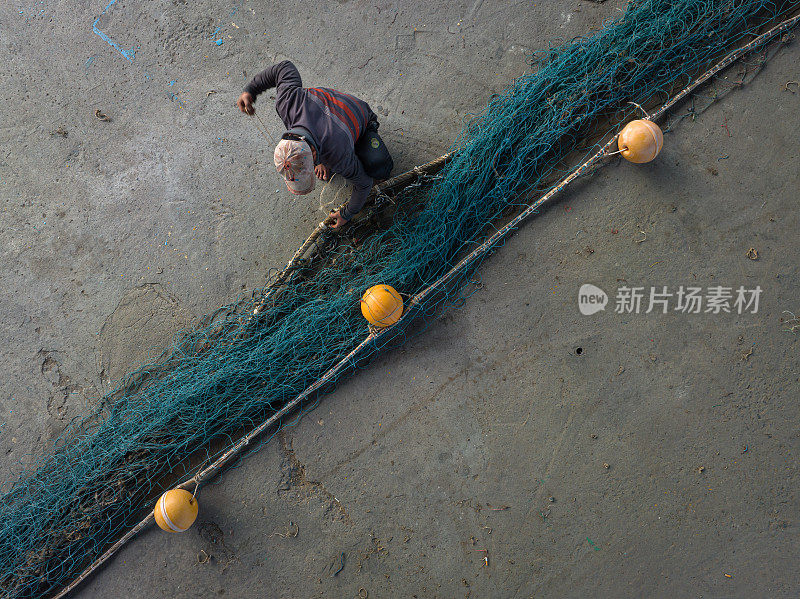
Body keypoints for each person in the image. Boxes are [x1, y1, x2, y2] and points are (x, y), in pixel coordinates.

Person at [237, 61, 393, 229]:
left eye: (312, 164)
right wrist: (250, 90)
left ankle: (374, 153)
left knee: (379, 168)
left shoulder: (336, 154)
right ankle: (325, 158)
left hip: (360, 118)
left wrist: (347, 213)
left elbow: (364, 184)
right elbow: (283, 67)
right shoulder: (286, 102)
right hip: (328, 117)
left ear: (313, 153)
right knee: (331, 154)